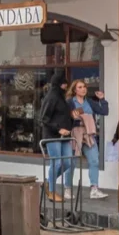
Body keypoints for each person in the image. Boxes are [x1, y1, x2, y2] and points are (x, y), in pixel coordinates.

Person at [68, 80, 109, 200]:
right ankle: (67, 189)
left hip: (88, 134)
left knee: (94, 160)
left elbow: (104, 111)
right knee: (72, 162)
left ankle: (94, 189)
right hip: (75, 133)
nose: (83, 89)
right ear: (75, 90)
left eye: (84, 87)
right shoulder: (70, 102)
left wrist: (102, 99)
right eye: (80, 87)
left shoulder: (89, 102)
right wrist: (75, 118)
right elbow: (65, 117)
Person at [40, 72, 75, 203]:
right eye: (63, 83)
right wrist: (58, 128)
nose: (66, 86)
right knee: (56, 162)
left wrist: (72, 120)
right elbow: (44, 118)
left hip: (64, 136)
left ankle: (48, 182)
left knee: (68, 162)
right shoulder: (52, 97)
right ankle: (52, 192)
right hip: (52, 135)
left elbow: (63, 115)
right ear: (58, 84)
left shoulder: (61, 98)